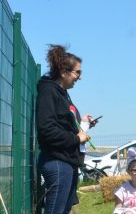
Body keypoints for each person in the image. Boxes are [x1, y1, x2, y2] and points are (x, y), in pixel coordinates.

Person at [36, 44, 97, 213]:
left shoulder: (62, 93)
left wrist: (83, 124)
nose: (80, 77)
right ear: (64, 71)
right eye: (78, 72)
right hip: (57, 162)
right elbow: (47, 130)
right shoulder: (49, 92)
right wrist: (77, 139)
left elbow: (65, 125)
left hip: (66, 162)